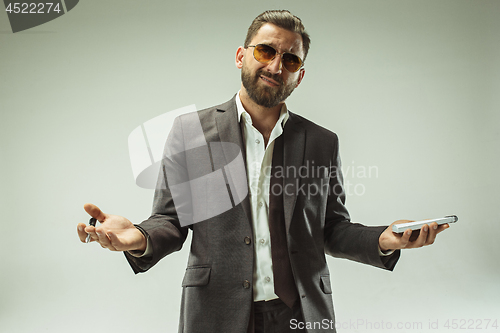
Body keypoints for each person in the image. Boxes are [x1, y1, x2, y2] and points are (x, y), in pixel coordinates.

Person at [77, 10, 449, 333]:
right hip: (216, 313)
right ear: (242, 56)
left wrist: (385, 239)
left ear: (299, 76)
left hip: (303, 315)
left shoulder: (321, 141)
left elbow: (332, 230)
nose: (275, 66)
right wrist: (138, 237)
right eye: (266, 51)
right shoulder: (190, 133)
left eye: (290, 60)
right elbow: (171, 222)